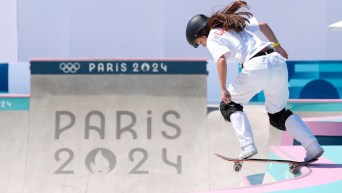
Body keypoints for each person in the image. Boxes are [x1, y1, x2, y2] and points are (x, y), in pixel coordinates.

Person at [185, 1, 324, 161]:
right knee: (278, 114)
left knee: (228, 105)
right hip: (277, 62)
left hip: (257, 66)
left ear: (201, 32)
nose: (203, 45)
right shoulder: (232, 24)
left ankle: (247, 146)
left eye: (199, 42)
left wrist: (223, 89)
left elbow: (221, 60)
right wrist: (278, 46)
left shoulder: (212, 37)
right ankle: (312, 146)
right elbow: (264, 25)